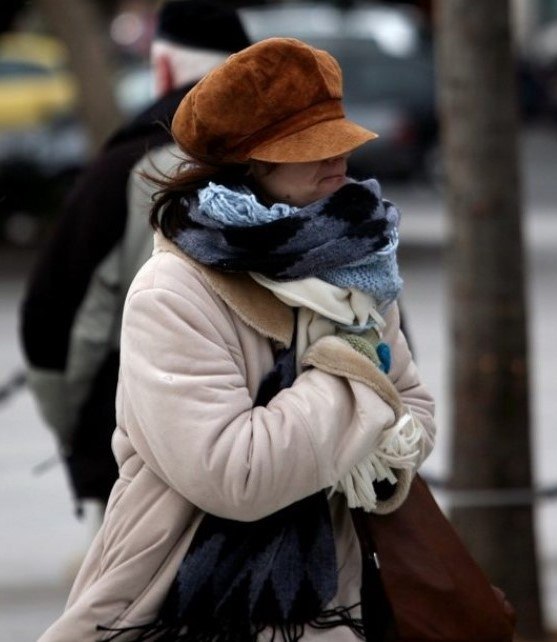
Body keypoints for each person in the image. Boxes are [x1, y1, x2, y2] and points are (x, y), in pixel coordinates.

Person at [40, 37, 435, 642]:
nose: (339, 158)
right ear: (250, 164)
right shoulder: (173, 291)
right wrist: (352, 370)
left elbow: (416, 420)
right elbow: (239, 476)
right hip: (176, 603)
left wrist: (354, 417)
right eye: (311, 147)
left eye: (340, 139)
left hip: (339, 598)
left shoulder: (357, 263)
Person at [19, 0, 251, 519]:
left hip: (139, 448)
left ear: (163, 68)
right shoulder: (303, 160)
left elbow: (53, 318)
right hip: (280, 453)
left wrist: (81, 438)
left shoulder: (121, 167)